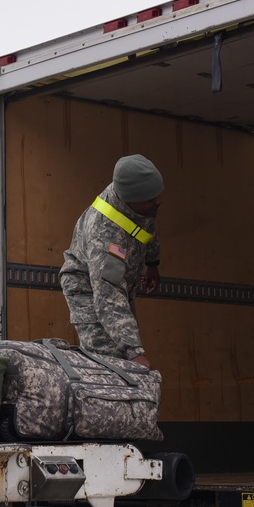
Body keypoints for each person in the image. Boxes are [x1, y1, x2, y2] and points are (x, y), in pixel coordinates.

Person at [59, 153, 163, 368]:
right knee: (112, 364)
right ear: (130, 199)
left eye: (158, 194)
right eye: (151, 199)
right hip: (90, 292)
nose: (158, 201)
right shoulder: (103, 235)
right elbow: (108, 297)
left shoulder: (134, 195)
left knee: (126, 351)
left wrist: (153, 264)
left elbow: (145, 226)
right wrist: (135, 354)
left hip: (116, 286)